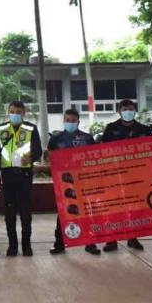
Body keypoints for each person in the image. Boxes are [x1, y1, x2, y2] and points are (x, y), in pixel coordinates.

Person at [100, 99, 152, 252]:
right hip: (115, 175)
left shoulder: (144, 129)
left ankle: (133, 238)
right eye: (124, 108)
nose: (128, 111)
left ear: (135, 111)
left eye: (130, 108)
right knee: (114, 207)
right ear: (119, 111)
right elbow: (103, 150)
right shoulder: (111, 128)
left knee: (135, 207)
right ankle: (112, 240)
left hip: (136, 175)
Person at [46, 109, 100, 256]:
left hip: (84, 181)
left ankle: (90, 243)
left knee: (87, 212)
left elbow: (94, 158)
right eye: (67, 120)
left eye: (73, 120)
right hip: (64, 183)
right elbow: (49, 158)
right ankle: (59, 243)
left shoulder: (87, 138)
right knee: (63, 213)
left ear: (78, 122)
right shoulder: (56, 139)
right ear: (63, 120)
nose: (70, 122)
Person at [0, 100, 42, 257]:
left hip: (24, 176)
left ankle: (27, 246)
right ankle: (12, 246)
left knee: (25, 213)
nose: (15, 114)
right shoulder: (1, 129)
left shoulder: (31, 128)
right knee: (9, 214)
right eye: (12, 111)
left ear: (24, 113)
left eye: (18, 112)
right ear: (8, 112)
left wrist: (30, 159)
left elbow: (38, 151)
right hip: (7, 176)